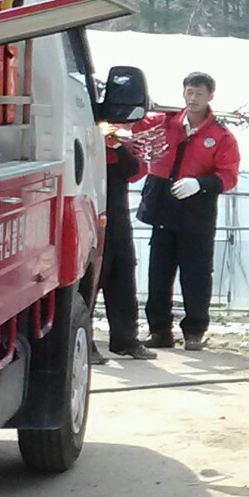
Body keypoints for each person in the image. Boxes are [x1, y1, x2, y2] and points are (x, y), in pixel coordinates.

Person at [140, 72, 242, 352]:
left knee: (196, 275)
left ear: (211, 96)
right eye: (189, 92)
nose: (193, 98)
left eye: (199, 93)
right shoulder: (166, 122)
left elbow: (229, 175)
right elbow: (137, 127)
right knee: (159, 274)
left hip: (197, 214)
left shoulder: (221, 136)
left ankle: (194, 332)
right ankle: (159, 330)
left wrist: (201, 184)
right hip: (164, 207)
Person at [97, 76, 155, 361]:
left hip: (117, 213)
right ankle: (83, 341)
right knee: (91, 277)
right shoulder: (87, 127)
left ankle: (125, 339)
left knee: (122, 274)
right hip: (89, 211)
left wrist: (117, 145)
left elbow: (135, 170)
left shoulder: (125, 134)